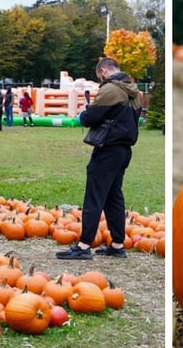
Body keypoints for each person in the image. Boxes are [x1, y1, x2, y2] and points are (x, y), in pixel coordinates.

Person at [57, 57, 142, 260]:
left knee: (94, 197)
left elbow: (91, 117)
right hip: (124, 149)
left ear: (103, 70)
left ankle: (84, 246)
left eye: (99, 76)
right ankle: (117, 243)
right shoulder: (133, 89)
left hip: (108, 149)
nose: (100, 79)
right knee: (113, 197)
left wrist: (81, 116)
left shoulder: (111, 89)